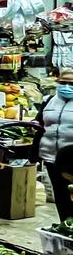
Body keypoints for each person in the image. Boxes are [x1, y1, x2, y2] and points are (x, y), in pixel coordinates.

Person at [36, 69, 73, 222]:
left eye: (71, 84)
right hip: (50, 157)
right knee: (60, 196)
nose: (66, 87)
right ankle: (65, 226)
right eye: (63, 83)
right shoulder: (50, 100)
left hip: (71, 161)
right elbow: (39, 123)